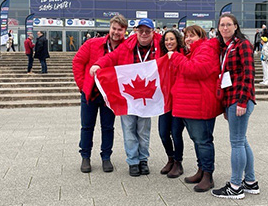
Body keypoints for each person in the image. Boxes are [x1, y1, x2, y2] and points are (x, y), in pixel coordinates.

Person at [90, 18, 162, 177]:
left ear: (153, 32)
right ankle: (133, 161)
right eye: (140, 30)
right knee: (129, 129)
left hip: (148, 97)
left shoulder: (159, 45)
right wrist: (99, 65)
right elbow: (111, 57)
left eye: (147, 31)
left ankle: (144, 160)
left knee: (144, 130)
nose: (144, 34)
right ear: (136, 31)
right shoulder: (127, 46)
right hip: (129, 96)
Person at [168, 25, 221, 192]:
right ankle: (201, 170)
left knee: (203, 141)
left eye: (192, 36)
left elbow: (197, 70)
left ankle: (208, 176)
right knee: (197, 141)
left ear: (201, 36)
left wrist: (176, 57)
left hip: (201, 105)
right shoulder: (195, 51)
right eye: (186, 36)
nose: (188, 39)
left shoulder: (206, 48)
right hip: (191, 105)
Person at [211, 13, 258, 200]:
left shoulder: (242, 45)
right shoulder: (225, 47)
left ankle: (235, 185)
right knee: (242, 140)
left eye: (228, 24)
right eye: (222, 25)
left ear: (236, 27)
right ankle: (251, 182)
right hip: (230, 100)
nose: (225, 28)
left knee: (237, 142)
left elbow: (249, 74)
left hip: (240, 99)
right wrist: (225, 105)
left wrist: (242, 101)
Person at [73, 15, 128, 173]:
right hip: (90, 93)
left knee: (108, 127)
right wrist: (83, 85)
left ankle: (106, 157)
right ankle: (85, 157)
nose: (116, 32)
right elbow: (78, 62)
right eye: (114, 28)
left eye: (120, 29)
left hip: (110, 96)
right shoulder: (92, 43)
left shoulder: (126, 47)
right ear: (109, 28)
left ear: (125, 31)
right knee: (87, 127)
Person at [158, 30, 186, 178]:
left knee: (176, 133)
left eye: (172, 39)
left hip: (178, 101)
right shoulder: (161, 57)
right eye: (166, 40)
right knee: (163, 133)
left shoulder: (183, 56)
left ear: (177, 40)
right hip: (164, 102)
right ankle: (170, 158)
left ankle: (178, 162)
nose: (169, 42)